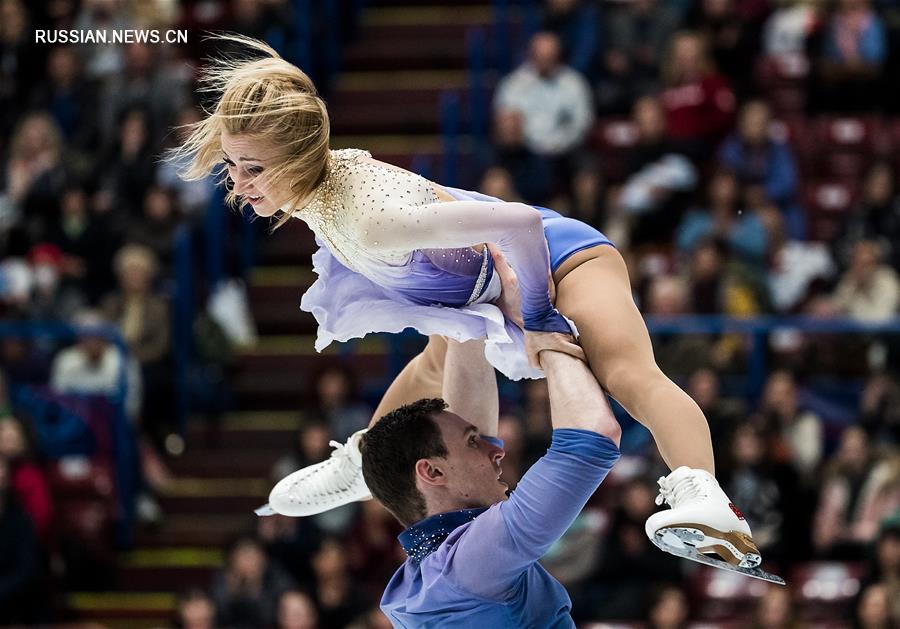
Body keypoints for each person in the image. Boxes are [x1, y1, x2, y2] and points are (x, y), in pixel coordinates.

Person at [173, 35, 763, 576]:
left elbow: (522, 223)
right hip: (476, 281)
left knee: (625, 373)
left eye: (254, 167)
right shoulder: (314, 186)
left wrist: (539, 316)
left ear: (298, 157)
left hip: (562, 259)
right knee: (435, 360)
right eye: (232, 163)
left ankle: (708, 498)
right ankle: (363, 461)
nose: (239, 181)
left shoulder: (374, 218)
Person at [361, 274, 621, 625]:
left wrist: (473, 292)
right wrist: (542, 326)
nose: (496, 450)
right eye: (473, 442)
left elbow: (462, 422)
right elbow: (592, 438)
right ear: (432, 473)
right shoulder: (471, 564)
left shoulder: (414, 586)